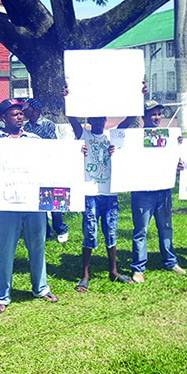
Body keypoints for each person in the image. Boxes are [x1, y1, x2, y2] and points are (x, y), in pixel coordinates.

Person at [0, 99, 58, 313]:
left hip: (33, 202)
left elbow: (53, 161)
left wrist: (79, 152)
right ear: (4, 118)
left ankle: (40, 287)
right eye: (14, 114)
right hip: (8, 204)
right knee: (5, 249)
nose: (20, 116)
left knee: (38, 246)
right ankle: (2, 295)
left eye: (21, 113)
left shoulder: (35, 140)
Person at [66, 92, 135, 291]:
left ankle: (113, 271)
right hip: (90, 192)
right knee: (90, 230)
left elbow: (130, 119)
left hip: (110, 192)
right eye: (93, 119)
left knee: (111, 230)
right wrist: (69, 97)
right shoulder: (83, 136)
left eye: (101, 118)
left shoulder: (113, 137)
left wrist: (138, 96)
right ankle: (85, 274)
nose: (98, 122)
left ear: (105, 120)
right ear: (89, 120)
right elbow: (71, 118)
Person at [117, 99, 186, 283]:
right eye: (152, 114)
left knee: (165, 227)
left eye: (159, 114)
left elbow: (175, 159)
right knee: (141, 230)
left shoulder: (169, 137)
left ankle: (171, 261)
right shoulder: (133, 138)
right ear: (144, 117)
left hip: (163, 191)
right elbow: (118, 142)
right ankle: (138, 268)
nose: (157, 117)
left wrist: (178, 150)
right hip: (142, 192)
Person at [23, 98, 69, 243]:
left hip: (49, 165)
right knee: (38, 198)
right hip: (33, 167)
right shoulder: (26, 127)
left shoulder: (47, 124)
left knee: (54, 197)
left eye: (27, 109)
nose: (24, 112)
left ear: (35, 110)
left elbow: (51, 143)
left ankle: (61, 228)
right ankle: (46, 230)